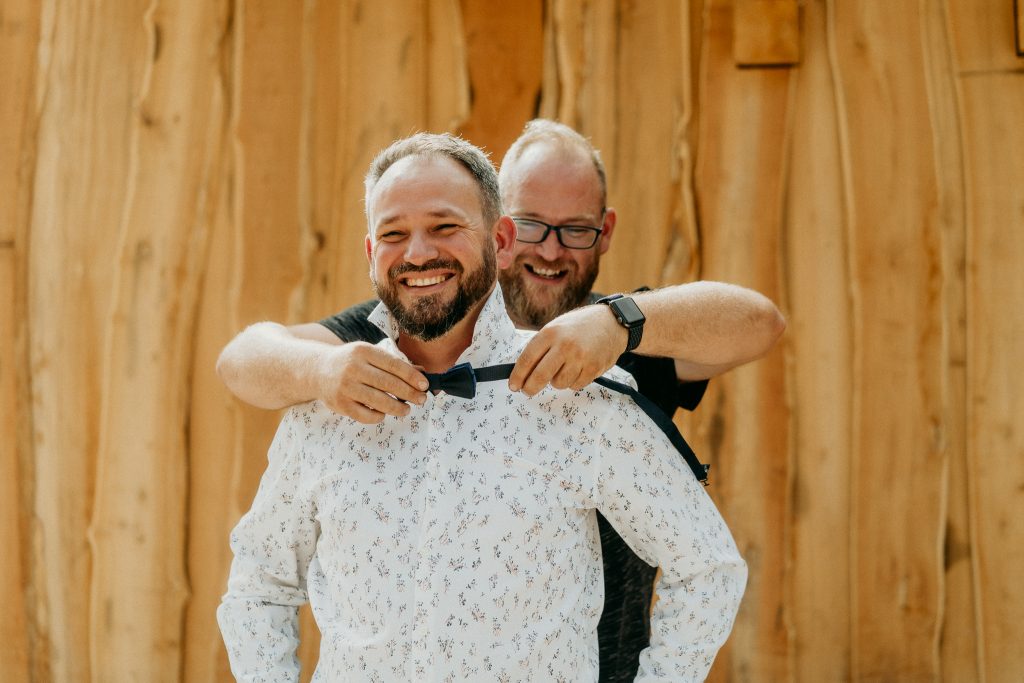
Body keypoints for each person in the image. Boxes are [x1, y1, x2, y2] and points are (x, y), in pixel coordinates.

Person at [216, 120, 783, 682]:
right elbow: (258, 583)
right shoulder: (341, 380)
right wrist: (320, 369)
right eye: (534, 223)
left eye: (574, 229)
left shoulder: (604, 376)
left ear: (498, 239)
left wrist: (619, 323)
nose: (549, 249)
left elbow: (707, 565)